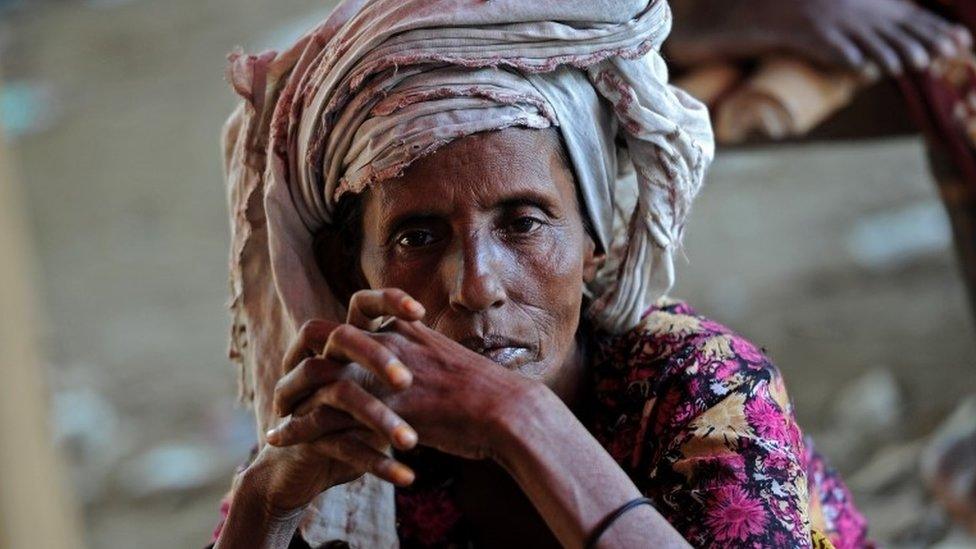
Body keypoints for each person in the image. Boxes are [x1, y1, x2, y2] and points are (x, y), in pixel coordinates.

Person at [212, 0, 868, 547]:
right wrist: (267, 498)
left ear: (594, 238)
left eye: (522, 222)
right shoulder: (355, 435)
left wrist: (520, 419)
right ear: (349, 269)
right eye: (417, 235)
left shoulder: (700, 383)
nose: (476, 286)